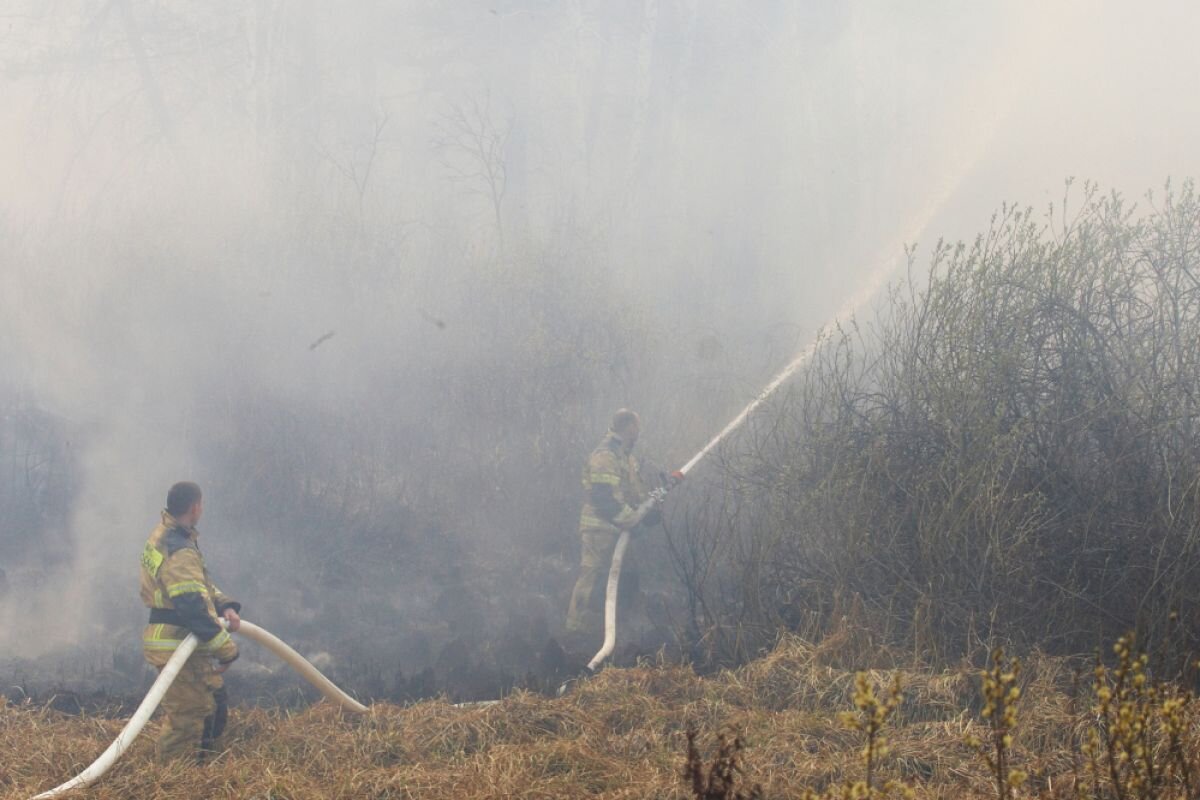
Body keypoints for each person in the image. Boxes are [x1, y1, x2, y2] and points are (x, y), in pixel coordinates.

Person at [139, 481, 241, 762]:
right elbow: (193, 606)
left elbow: (197, 586)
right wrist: (226, 648)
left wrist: (225, 605)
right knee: (188, 716)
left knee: (214, 702)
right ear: (195, 507)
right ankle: (173, 781)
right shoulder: (179, 548)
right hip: (175, 641)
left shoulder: (166, 536)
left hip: (183, 641)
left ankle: (203, 769)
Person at [565, 409, 662, 636]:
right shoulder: (605, 455)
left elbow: (633, 495)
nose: (639, 432)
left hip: (617, 531)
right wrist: (631, 519)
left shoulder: (625, 457)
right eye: (636, 426)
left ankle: (616, 627)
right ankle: (576, 632)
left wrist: (650, 513)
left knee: (627, 578)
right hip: (599, 530)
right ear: (628, 426)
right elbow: (603, 498)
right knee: (592, 579)